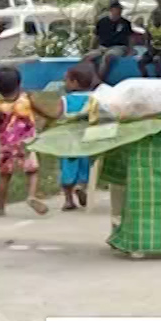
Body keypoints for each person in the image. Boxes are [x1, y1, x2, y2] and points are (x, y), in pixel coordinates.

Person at [0, 65, 55, 216]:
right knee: (32, 171)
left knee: (5, 176)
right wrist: (53, 117)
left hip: (6, 146)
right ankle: (31, 196)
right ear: (19, 83)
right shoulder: (26, 99)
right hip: (26, 144)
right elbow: (42, 112)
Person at [57, 64, 97, 211]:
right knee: (85, 166)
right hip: (87, 140)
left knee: (67, 169)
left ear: (74, 82)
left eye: (66, 80)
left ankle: (68, 200)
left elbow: (57, 117)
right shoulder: (93, 98)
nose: (65, 83)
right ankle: (81, 186)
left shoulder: (65, 100)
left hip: (68, 141)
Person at [90, 1, 135, 83]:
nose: (119, 12)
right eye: (117, 10)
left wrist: (130, 50)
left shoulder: (125, 23)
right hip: (103, 46)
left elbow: (130, 38)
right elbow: (96, 36)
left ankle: (98, 80)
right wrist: (92, 48)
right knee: (89, 57)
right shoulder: (102, 22)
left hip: (118, 47)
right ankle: (86, 78)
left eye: (120, 10)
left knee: (108, 56)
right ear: (111, 10)